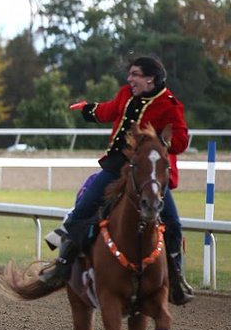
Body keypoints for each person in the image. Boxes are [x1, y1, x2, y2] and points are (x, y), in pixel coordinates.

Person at [38, 54, 194, 305]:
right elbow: (109, 110)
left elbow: (182, 141)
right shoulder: (125, 94)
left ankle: (176, 278)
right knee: (83, 208)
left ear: (150, 79)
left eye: (135, 74)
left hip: (146, 175)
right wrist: (88, 109)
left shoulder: (170, 105)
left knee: (173, 225)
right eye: (130, 74)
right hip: (115, 167)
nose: (129, 79)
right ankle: (62, 265)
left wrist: (159, 142)